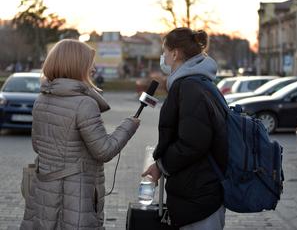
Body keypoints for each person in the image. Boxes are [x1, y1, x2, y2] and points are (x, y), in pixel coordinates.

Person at [20, 39, 140, 230]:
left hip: (44, 190)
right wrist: (129, 126)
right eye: (89, 62)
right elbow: (104, 151)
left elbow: (37, 145)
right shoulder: (84, 104)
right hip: (74, 195)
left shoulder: (41, 99)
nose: (93, 68)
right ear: (77, 65)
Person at [142, 27, 228, 230]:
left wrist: (161, 165)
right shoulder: (199, 83)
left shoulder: (189, 87)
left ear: (175, 53)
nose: (163, 57)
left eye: (164, 51)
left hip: (199, 195)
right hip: (199, 191)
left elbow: (192, 143)